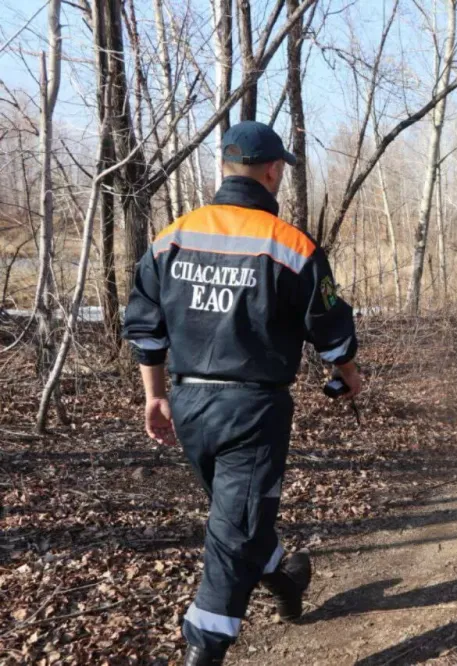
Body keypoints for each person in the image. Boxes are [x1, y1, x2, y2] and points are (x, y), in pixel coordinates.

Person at [122, 121, 361, 666]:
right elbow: (330, 328)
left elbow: (144, 325)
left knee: (237, 519)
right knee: (233, 531)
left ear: (225, 168)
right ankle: (203, 652)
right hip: (252, 410)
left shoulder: (172, 237)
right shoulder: (292, 246)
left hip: (187, 403)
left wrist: (154, 396)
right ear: (274, 172)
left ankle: (284, 577)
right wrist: (348, 373)